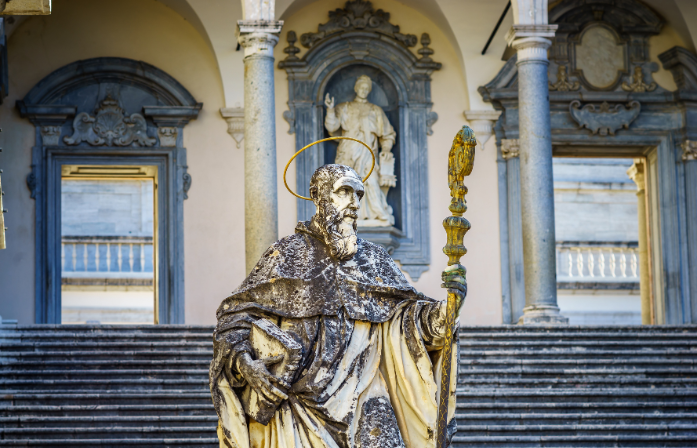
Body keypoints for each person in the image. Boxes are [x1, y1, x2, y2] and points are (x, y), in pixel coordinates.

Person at [210, 164, 466, 448]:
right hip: (297, 405)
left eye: (359, 194)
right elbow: (234, 320)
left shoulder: (374, 260)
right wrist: (248, 365)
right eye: (344, 191)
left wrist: (445, 311)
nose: (354, 203)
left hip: (369, 395)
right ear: (318, 195)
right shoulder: (286, 254)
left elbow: (408, 320)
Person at [325, 75, 397, 226]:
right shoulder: (344, 107)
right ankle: (345, 215)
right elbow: (332, 127)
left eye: (366, 88)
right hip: (348, 152)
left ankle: (376, 215)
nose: (363, 91)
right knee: (347, 183)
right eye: (361, 87)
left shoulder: (376, 111)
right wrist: (330, 110)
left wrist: (386, 149)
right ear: (356, 88)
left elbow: (388, 134)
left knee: (370, 181)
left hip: (368, 152)